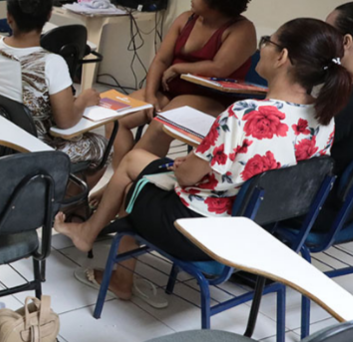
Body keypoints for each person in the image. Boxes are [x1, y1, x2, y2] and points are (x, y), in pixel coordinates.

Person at [55, 18, 352, 301]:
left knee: (133, 179)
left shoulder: (244, 115)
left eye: (267, 42)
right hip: (255, 233)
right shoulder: (324, 120)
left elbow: (187, 178)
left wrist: (186, 167)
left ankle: (114, 268)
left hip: (199, 231)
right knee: (137, 162)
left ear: (282, 57)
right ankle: (92, 235)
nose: (262, 48)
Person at [0, 0, 132, 185]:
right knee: (103, 147)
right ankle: (60, 202)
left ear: (9, 17)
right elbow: (66, 121)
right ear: (49, 16)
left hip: (0, 143)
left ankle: (47, 196)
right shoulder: (51, 62)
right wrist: (84, 99)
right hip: (38, 149)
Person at [117, 0, 257, 157]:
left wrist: (178, 68)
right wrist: (150, 95)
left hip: (209, 98)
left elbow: (219, 68)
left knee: (161, 125)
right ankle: (123, 172)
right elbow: (161, 60)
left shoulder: (242, 29)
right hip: (169, 91)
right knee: (117, 118)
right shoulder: (186, 18)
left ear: (217, 1)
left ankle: (134, 173)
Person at [314, 3, 353, 231]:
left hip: (320, 206)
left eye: (328, 33)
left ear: (346, 42)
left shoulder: (348, 99)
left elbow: (307, 145)